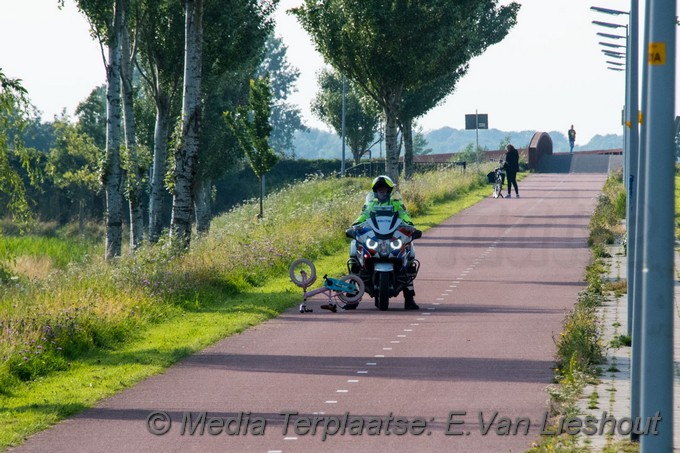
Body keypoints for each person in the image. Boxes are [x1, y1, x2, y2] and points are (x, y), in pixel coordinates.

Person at [350, 175, 420, 310]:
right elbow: (363, 215)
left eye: (384, 189)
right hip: (376, 238)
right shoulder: (371, 204)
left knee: (409, 258)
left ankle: (409, 298)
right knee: (355, 256)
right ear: (375, 191)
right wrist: (355, 225)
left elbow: (404, 215)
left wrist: (410, 225)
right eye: (379, 189)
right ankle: (351, 297)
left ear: (389, 191)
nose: (382, 192)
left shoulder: (396, 204)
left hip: (391, 237)